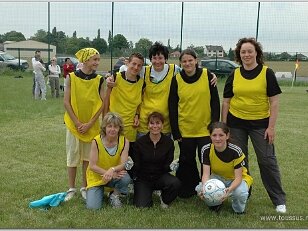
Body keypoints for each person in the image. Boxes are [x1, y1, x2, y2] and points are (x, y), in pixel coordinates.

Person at [221, 37, 286, 213]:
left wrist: (271, 127)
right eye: (243, 52)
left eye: (250, 51)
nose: (247, 54)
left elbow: (274, 102)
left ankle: (279, 199)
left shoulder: (267, 73)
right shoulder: (234, 74)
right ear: (239, 55)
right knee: (240, 161)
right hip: (236, 124)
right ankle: (244, 192)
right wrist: (224, 128)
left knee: (267, 161)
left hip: (260, 125)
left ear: (256, 52)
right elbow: (226, 102)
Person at [137, 42, 217, 139]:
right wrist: (113, 78)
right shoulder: (143, 71)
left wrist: (211, 74)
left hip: (165, 123)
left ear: (166, 59)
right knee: (143, 152)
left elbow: (190, 69)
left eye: (160, 58)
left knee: (164, 152)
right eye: (154, 58)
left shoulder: (174, 69)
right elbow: (127, 71)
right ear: (150, 59)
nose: (157, 61)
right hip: (145, 122)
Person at [168, 48, 220, 198]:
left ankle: (210, 189)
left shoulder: (207, 75)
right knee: (186, 160)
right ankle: (188, 190)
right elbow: (172, 106)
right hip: (186, 129)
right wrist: (175, 130)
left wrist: (214, 126)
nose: (187, 63)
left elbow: (215, 102)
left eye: (190, 60)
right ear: (180, 63)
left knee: (206, 161)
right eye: (184, 61)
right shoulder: (176, 79)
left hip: (205, 129)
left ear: (196, 61)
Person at [63, 48, 104, 201]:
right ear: (85, 60)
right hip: (74, 125)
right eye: (94, 59)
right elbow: (66, 102)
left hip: (91, 126)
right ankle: (71, 188)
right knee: (72, 156)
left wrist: (90, 123)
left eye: (98, 60)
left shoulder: (100, 79)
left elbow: (101, 104)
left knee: (88, 158)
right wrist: (77, 122)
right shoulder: (71, 78)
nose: (97, 63)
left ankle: (84, 187)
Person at [198, 122, 253, 214]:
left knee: (239, 193)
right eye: (214, 135)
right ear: (210, 136)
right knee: (200, 189)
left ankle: (238, 210)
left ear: (227, 136)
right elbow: (206, 174)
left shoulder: (236, 150)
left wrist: (229, 190)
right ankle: (216, 203)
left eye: (221, 135)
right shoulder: (206, 149)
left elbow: (238, 177)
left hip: (236, 179)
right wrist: (205, 188)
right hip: (218, 178)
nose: (217, 138)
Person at [132, 112, 181, 208]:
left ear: (162, 125)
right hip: (144, 179)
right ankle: (144, 192)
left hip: (160, 177)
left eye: (158, 123)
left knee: (175, 183)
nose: (155, 126)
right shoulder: (139, 143)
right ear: (148, 125)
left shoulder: (168, 143)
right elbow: (137, 166)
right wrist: (130, 166)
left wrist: (171, 166)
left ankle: (164, 198)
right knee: (142, 206)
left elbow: (166, 166)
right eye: (152, 123)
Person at [86, 112, 131, 210]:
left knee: (126, 178)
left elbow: (123, 164)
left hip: (114, 174)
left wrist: (112, 169)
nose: (112, 129)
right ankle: (96, 191)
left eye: (115, 126)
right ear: (104, 128)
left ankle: (114, 195)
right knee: (92, 207)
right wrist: (108, 173)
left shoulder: (124, 141)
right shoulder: (96, 141)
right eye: (109, 126)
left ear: (119, 128)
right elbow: (92, 165)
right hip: (97, 176)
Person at [104, 52, 145, 157]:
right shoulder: (115, 78)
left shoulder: (141, 83)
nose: (136, 67)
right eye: (134, 64)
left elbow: (140, 103)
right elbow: (106, 99)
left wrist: (137, 115)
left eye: (139, 65)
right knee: (111, 160)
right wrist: (104, 118)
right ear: (128, 63)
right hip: (113, 127)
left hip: (130, 129)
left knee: (127, 162)